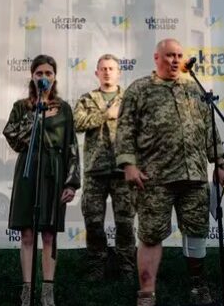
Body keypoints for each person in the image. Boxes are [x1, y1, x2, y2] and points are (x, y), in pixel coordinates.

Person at [116, 39, 224, 306]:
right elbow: (124, 130)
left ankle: (198, 287)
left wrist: (220, 163)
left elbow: (210, 128)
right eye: (169, 55)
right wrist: (129, 165)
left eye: (179, 55)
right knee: (151, 235)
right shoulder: (140, 89)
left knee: (197, 231)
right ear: (156, 57)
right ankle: (146, 293)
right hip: (155, 178)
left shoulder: (194, 89)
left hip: (194, 176)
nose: (175, 60)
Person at [3, 55, 81, 306]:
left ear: (55, 77)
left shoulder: (64, 108)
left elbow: (72, 145)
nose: (44, 77)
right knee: (27, 233)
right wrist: (37, 118)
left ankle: (48, 290)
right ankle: (27, 289)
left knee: (48, 233)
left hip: (54, 172)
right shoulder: (21, 106)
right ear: (32, 77)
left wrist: (71, 182)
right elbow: (13, 138)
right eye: (39, 73)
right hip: (28, 168)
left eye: (48, 73)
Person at [73, 54, 136, 281]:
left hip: (123, 170)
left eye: (111, 68)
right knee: (93, 222)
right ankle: (96, 266)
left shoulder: (130, 98)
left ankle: (127, 267)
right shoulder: (87, 99)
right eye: (103, 68)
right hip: (95, 171)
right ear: (97, 73)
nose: (107, 72)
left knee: (126, 223)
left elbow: (141, 129)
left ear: (119, 72)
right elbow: (77, 123)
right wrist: (105, 115)